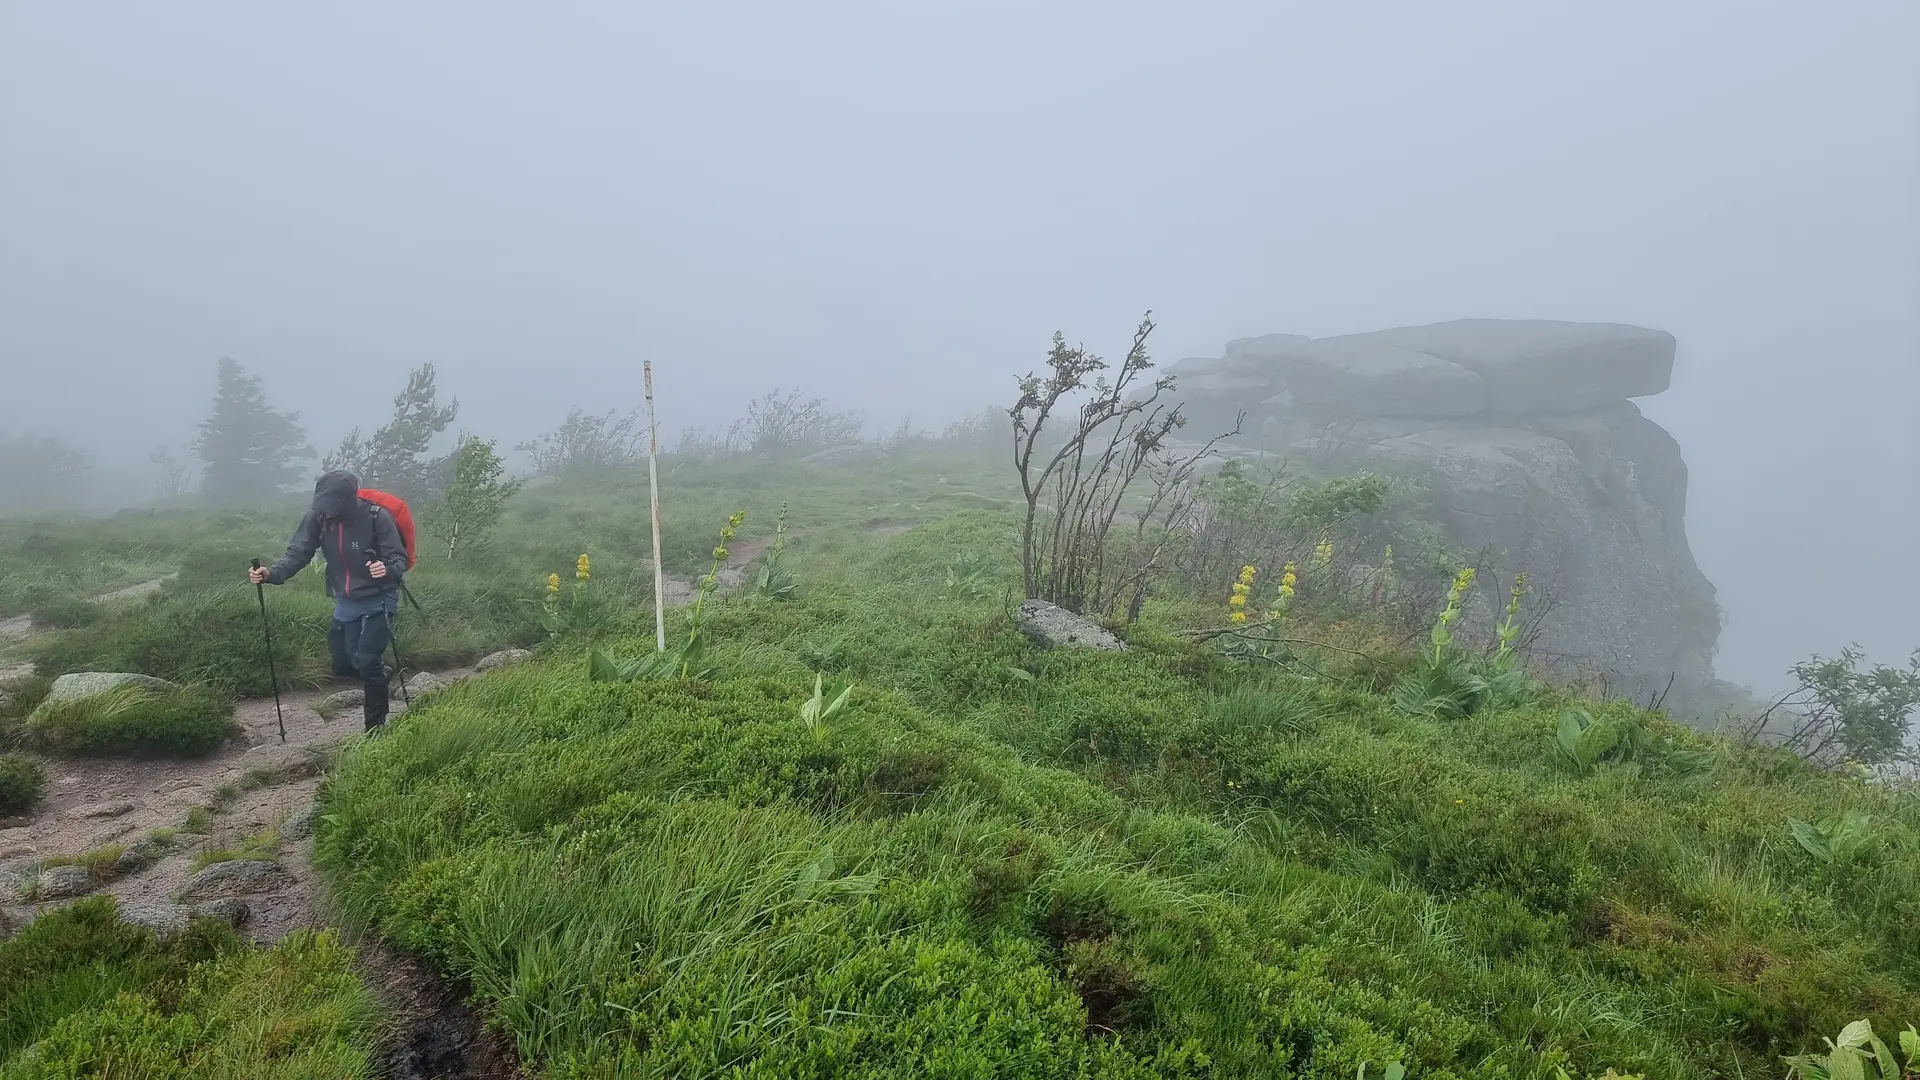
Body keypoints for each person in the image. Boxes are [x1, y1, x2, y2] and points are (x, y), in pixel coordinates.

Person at [249, 470, 410, 731]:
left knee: (367, 658)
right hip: (346, 599)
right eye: (324, 506)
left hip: (380, 597)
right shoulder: (319, 517)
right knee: (343, 663)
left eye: (333, 507)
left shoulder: (376, 517)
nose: (328, 512)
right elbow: (298, 552)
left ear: (347, 501)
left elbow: (398, 558)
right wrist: (271, 574)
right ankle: (378, 675)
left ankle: (375, 729)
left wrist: (387, 569)